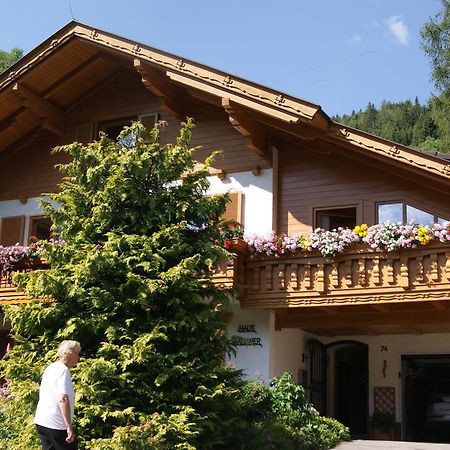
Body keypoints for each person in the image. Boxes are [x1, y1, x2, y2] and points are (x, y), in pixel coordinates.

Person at [34, 340, 81, 450]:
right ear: (69, 354)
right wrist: (69, 427)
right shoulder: (63, 370)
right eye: (77, 353)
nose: (78, 357)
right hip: (56, 424)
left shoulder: (51, 367)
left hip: (42, 421)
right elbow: (63, 399)